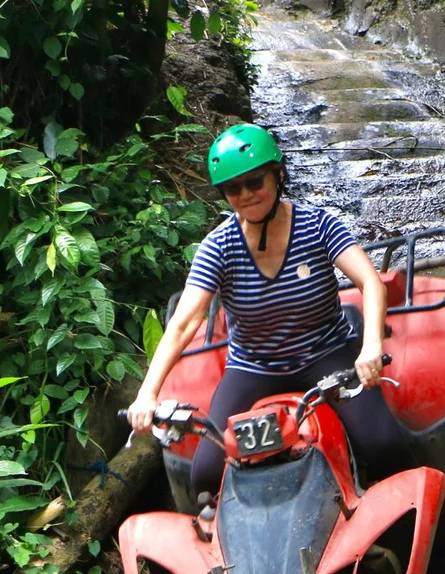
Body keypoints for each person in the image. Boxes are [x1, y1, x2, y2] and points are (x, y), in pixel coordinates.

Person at [125, 123, 416, 498]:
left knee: (383, 446)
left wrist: (371, 345)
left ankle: (429, 530)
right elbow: (184, 322)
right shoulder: (219, 246)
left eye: (255, 182)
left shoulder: (318, 225)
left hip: (327, 352)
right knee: (206, 476)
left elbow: (370, 283)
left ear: (277, 176)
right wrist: (147, 394)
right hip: (254, 366)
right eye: (234, 188)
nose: (246, 195)